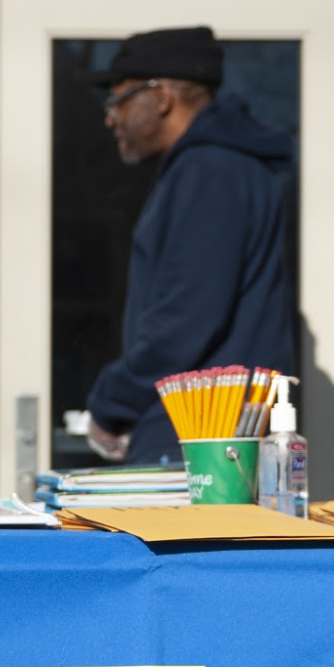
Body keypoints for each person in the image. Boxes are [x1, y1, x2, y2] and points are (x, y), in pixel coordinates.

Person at [84, 26, 295, 466]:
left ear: (160, 98)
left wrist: (112, 402)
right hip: (217, 432)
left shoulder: (209, 174)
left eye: (117, 101)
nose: (110, 120)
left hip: (203, 437)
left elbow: (186, 316)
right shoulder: (221, 168)